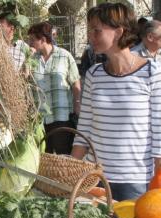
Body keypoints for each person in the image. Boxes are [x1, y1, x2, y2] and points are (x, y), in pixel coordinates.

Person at [71, 3, 161, 201]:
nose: (90, 37)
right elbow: (84, 128)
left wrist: (157, 183)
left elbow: (159, 134)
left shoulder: (151, 73)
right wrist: (71, 174)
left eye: (96, 31)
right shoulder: (94, 74)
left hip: (135, 183)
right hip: (94, 178)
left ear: (119, 32)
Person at [28, 21, 81, 154]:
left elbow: (75, 82)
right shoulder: (32, 60)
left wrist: (77, 104)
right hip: (40, 119)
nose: (30, 43)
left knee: (64, 158)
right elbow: (27, 84)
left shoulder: (65, 55)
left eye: (33, 39)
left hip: (61, 116)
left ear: (43, 39)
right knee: (44, 158)